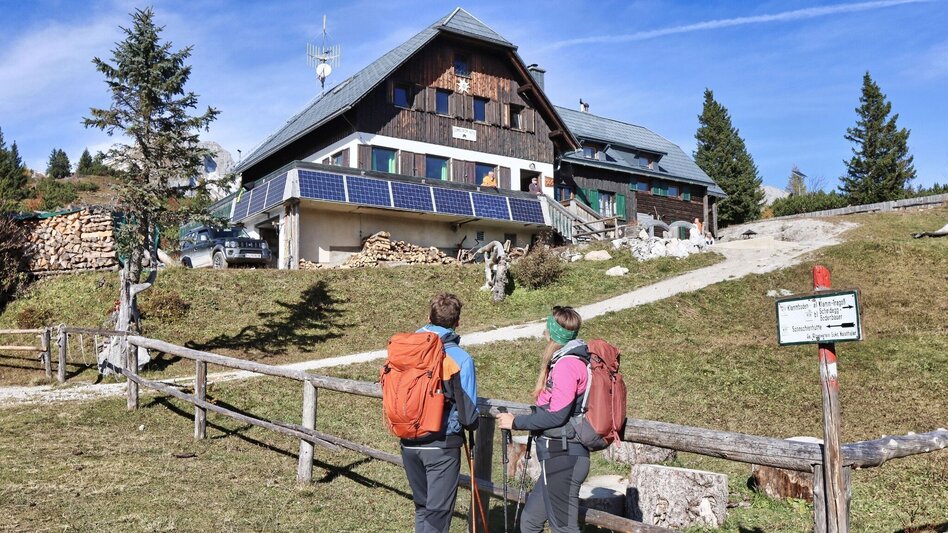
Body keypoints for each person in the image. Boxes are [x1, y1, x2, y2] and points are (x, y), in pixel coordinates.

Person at [496, 306, 589, 533]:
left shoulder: (568, 365)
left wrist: (516, 422)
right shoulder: (565, 360)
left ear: (552, 332)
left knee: (563, 529)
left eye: (546, 327)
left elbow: (557, 415)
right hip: (557, 456)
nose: (543, 332)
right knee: (530, 521)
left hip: (564, 456)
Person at [401, 293, 479, 533]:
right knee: (437, 517)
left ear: (428, 317)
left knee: (422, 509)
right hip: (441, 445)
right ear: (457, 323)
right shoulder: (460, 358)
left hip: (408, 440)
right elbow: (468, 416)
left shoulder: (407, 350)